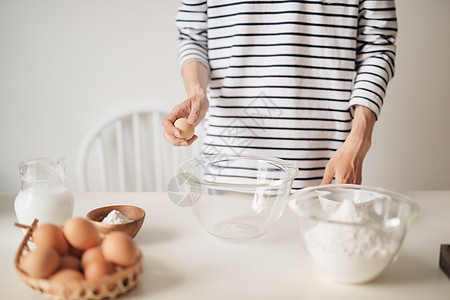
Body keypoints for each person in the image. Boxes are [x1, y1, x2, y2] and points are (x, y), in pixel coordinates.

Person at [163, 0, 397, 191]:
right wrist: (196, 93)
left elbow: (378, 44)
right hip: (229, 170)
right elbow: (193, 36)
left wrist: (359, 139)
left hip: (324, 170)